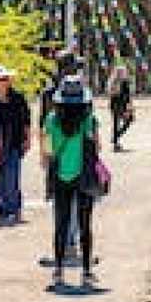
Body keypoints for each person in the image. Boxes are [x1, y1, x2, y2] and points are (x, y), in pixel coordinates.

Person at [41, 75, 100, 287]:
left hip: (60, 176)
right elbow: (97, 147)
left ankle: (58, 270)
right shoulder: (89, 119)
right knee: (85, 226)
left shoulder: (50, 120)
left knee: (61, 224)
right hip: (83, 175)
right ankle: (86, 271)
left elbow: (47, 151)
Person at [0, 65, 31, 225]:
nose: (5, 82)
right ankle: (3, 209)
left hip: (14, 142)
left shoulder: (18, 98)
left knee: (12, 177)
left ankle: (14, 209)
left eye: (7, 79)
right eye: (2, 79)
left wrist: (27, 139)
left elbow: (26, 120)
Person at [108, 65, 133, 152]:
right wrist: (129, 106)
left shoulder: (113, 83)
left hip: (116, 105)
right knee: (126, 121)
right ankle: (116, 140)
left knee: (116, 123)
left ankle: (115, 138)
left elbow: (112, 95)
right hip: (120, 105)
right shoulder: (120, 83)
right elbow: (127, 96)